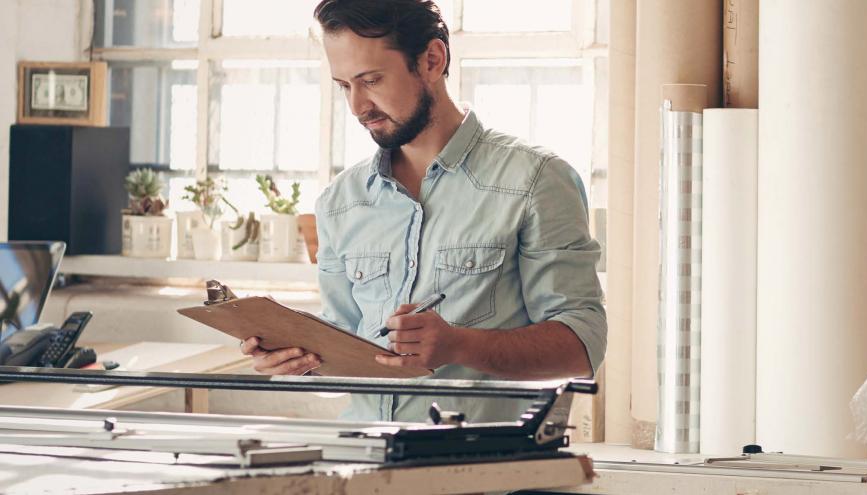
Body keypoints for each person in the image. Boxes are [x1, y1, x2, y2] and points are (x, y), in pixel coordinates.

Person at [241, 0, 607, 423]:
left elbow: (584, 346)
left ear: (432, 60)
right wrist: (299, 360)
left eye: (371, 80)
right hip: (364, 466)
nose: (358, 106)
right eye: (344, 85)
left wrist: (459, 345)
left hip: (484, 473)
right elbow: (346, 344)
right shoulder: (341, 201)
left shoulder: (536, 180)